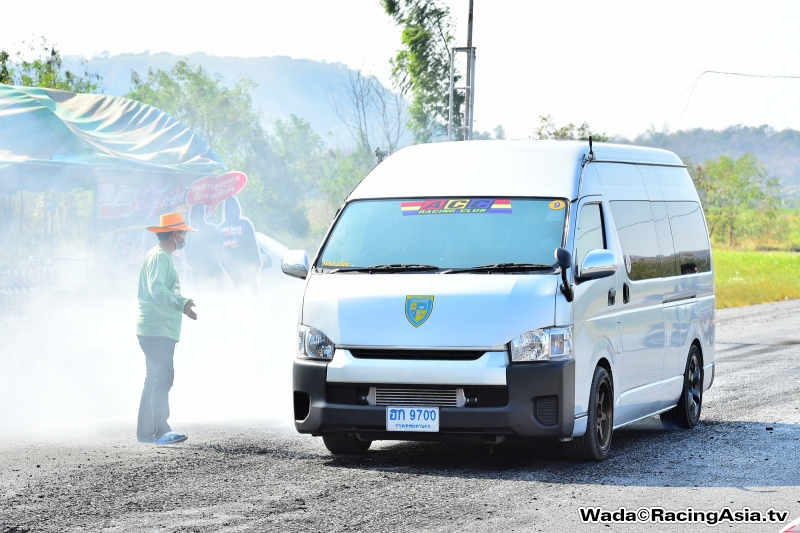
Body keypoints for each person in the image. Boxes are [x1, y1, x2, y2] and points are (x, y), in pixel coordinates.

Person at [135, 212, 198, 445]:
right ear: (175, 234)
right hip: (156, 329)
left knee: (153, 378)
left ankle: (145, 433)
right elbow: (157, 290)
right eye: (183, 233)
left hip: (156, 329)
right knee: (163, 377)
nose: (185, 237)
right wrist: (182, 304)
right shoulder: (160, 257)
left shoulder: (161, 256)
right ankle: (161, 430)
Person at [218, 196, 262, 294]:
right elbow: (253, 244)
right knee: (252, 293)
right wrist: (257, 262)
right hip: (240, 267)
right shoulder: (245, 223)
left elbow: (219, 252)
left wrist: (226, 267)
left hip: (239, 267)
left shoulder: (220, 228)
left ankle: (247, 308)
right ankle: (254, 308)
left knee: (242, 293)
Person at [184, 203, 225, 295]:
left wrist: (211, 259)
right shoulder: (189, 234)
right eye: (192, 217)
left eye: (194, 217)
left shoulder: (210, 229)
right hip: (199, 274)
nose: (193, 220)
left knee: (218, 298)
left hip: (212, 271)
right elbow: (188, 255)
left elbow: (220, 249)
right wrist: (195, 266)